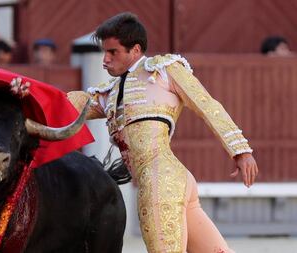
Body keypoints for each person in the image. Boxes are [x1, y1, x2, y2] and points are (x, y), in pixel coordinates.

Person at [66, 12, 258, 253]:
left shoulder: (163, 70)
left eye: (112, 52)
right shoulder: (111, 94)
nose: (105, 60)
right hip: (170, 178)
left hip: (159, 179)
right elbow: (72, 104)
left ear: (135, 50)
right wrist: (24, 95)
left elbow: (207, 105)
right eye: (104, 52)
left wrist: (241, 150)